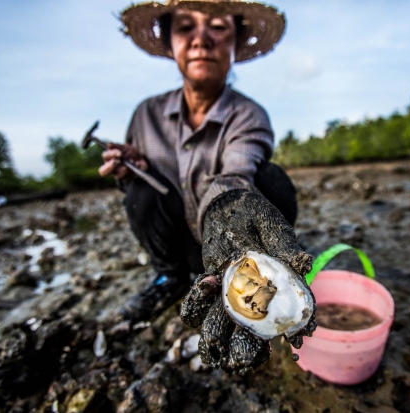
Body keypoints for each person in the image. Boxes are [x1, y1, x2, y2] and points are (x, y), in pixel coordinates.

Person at [99, 0, 315, 374]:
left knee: (272, 180)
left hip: (232, 236)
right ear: (170, 43)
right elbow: (138, 195)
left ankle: (267, 270)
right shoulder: (145, 115)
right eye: (185, 28)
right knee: (140, 192)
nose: (201, 40)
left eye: (217, 27)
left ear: (235, 42)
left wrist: (226, 204)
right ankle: (168, 276)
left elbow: (238, 170)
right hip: (180, 241)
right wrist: (132, 170)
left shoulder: (248, 114)